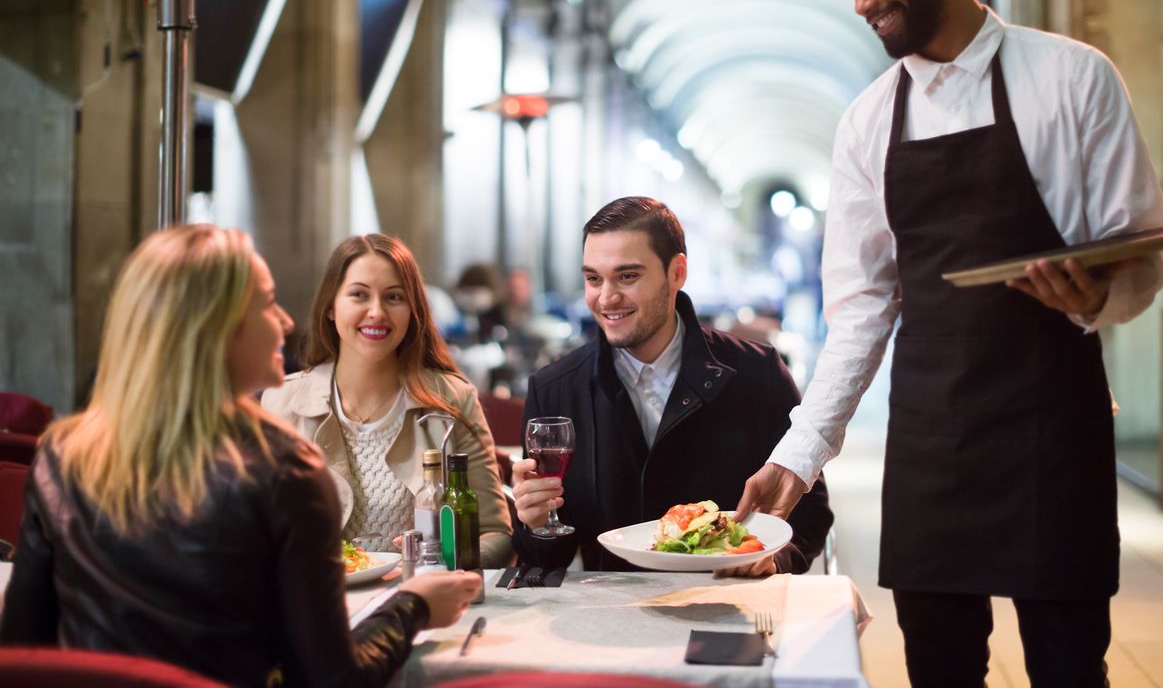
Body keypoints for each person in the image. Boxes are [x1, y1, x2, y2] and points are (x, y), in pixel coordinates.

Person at [734, 0, 1163, 686]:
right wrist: (801, 455)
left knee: (1071, 666)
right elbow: (861, 310)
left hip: (1056, 430)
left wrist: (1100, 295)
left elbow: (1144, 253)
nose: (861, 4)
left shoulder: (1073, 79)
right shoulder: (868, 122)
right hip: (933, 440)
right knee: (937, 668)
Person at [0, 225, 481, 686]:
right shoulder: (285, 472)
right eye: (268, 304)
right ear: (217, 329)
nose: (288, 321)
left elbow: (25, 651)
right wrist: (412, 606)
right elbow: (333, 680)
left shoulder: (62, 456)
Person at [512, 197, 833, 575]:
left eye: (628, 276)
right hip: (611, 619)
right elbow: (549, 563)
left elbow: (811, 514)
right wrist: (535, 525)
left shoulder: (757, 374)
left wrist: (774, 559)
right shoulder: (555, 390)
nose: (606, 297)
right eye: (593, 278)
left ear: (676, 273)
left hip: (729, 607)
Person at [262, 234, 513, 566]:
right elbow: (261, 538)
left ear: (413, 311)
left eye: (394, 297)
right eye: (359, 295)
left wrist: (435, 563)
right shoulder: (281, 402)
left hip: (427, 605)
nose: (377, 312)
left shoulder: (453, 400)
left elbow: (496, 535)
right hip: (321, 607)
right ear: (330, 309)